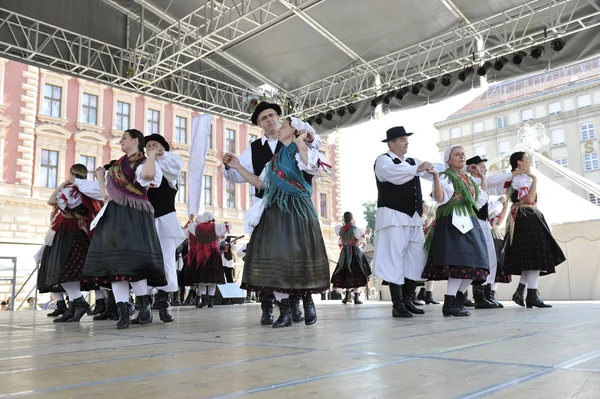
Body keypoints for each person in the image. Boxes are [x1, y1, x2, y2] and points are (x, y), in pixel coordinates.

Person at [223, 116, 330, 328]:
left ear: (294, 130)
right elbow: (260, 183)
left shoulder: (305, 152)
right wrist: (236, 165)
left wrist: (302, 143)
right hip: (275, 211)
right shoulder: (273, 160)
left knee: (300, 255)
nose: (279, 128)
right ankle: (286, 312)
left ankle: (308, 303)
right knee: (276, 258)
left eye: (284, 126)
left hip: (298, 210)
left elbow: (311, 166)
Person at [82, 128, 166, 329]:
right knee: (115, 265)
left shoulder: (143, 162)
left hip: (134, 214)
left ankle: (144, 309)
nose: (120, 141)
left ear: (136, 140)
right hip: (114, 215)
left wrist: (152, 155)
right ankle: (123, 312)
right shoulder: (117, 166)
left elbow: (147, 177)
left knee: (133, 264)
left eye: (124, 138)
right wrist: (101, 177)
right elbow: (106, 196)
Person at [371, 126, 436, 318]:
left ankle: (408, 299)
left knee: (416, 259)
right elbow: (394, 175)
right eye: (402, 139)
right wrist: (419, 168)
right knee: (394, 259)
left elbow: (428, 169)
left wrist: (448, 167)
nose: (406, 142)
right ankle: (397, 303)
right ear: (391, 143)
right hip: (393, 216)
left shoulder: (412, 161)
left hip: (414, 218)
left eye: (406, 139)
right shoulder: (383, 160)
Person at [421, 145, 490, 317]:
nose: (461, 156)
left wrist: (481, 177)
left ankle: (458, 300)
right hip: (453, 220)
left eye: (463, 154)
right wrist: (436, 177)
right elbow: (440, 198)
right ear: (448, 160)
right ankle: (450, 301)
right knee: (459, 261)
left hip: (469, 220)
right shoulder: (446, 176)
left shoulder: (467, 179)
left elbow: (480, 200)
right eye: (457, 154)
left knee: (475, 262)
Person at [38, 163, 104, 322]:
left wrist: (65, 183)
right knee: (71, 271)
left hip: (68, 232)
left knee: (63, 270)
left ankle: (79, 303)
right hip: (81, 232)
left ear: (72, 175)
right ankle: (74, 306)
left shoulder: (70, 190)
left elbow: (51, 200)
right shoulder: (87, 191)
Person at [503, 151, 566, 308]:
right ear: (519, 162)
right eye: (527, 159)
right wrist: (535, 179)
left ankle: (521, 292)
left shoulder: (519, 178)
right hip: (527, 216)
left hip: (527, 216)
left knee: (530, 257)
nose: (529, 161)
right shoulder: (521, 179)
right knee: (534, 255)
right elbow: (529, 199)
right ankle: (531, 295)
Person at [143, 134, 186, 323]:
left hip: (165, 218)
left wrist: (159, 155)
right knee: (143, 262)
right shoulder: (143, 166)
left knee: (166, 261)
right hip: (144, 220)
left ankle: (163, 303)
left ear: (162, 148)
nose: (150, 147)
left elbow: (173, 170)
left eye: (154, 144)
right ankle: (144, 304)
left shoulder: (170, 162)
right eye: (148, 145)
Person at [186, 212, 228, 308]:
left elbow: (190, 227)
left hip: (201, 254)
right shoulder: (216, 226)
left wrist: (191, 219)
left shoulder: (196, 227)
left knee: (202, 279)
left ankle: (203, 301)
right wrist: (225, 223)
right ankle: (211, 302)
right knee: (212, 279)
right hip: (213, 253)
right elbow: (223, 230)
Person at [331, 212, 371, 305]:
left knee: (347, 273)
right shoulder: (355, 229)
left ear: (344, 219)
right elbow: (361, 240)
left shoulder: (340, 229)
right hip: (355, 253)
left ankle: (347, 296)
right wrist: (367, 234)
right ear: (352, 219)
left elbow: (340, 241)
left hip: (345, 253)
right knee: (356, 273)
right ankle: (356, 298)